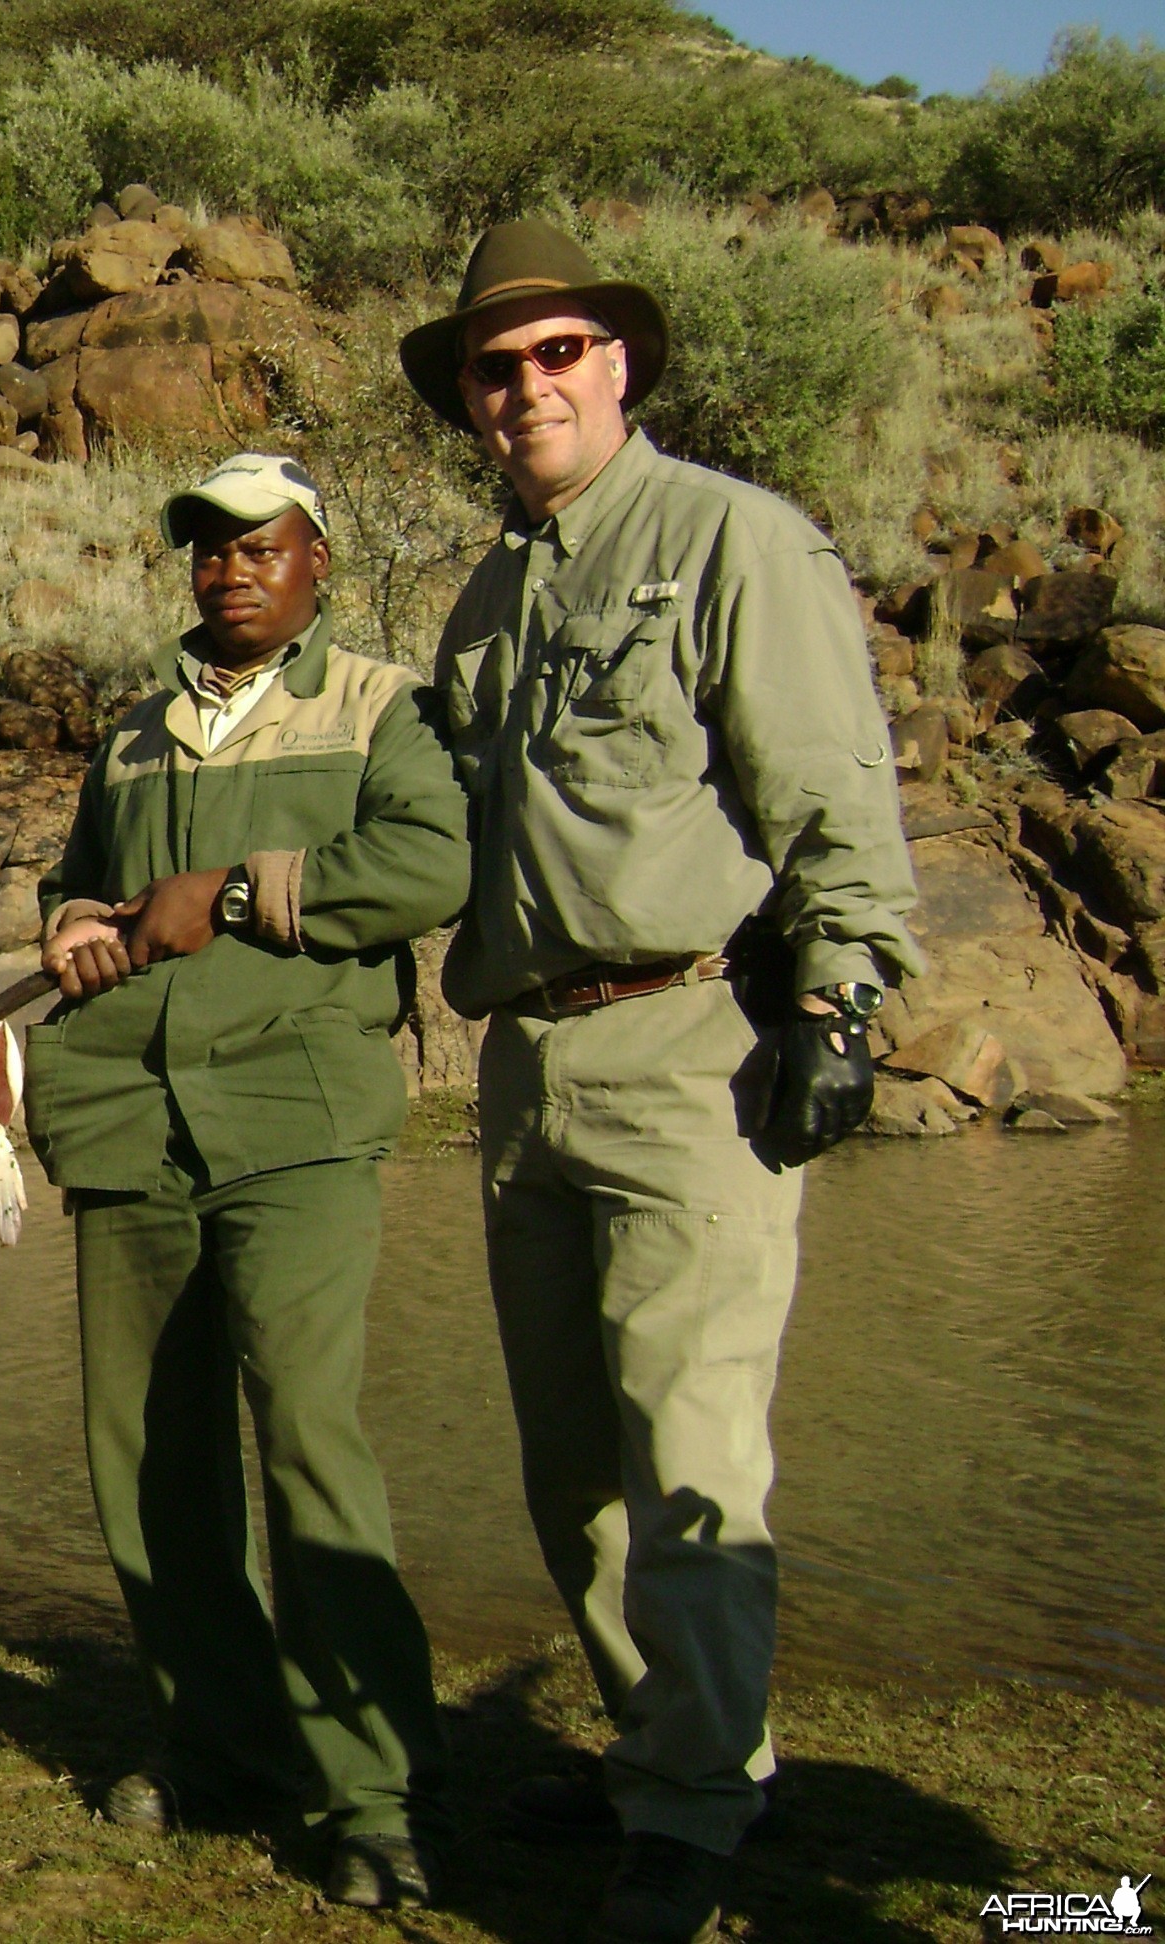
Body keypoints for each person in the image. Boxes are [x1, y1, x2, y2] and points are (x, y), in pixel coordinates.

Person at [398, 220, 923, 1943]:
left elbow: (831, 787)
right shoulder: (487, 593)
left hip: (697, 1045)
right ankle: (663, 1753)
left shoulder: (731, 542)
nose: (527, 385)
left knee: (692, 1441)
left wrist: (841, 1003)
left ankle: (696, 1814)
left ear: (618, 364)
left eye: (557, 353)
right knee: (571, 1468)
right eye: (497, 365)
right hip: (527, 1065)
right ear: (469, 401)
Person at [27, 453, 471, 1908]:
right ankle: (217, 1749)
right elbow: (75, 885)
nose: (229, 568)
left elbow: (424, 866)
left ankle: (371, 1792)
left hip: (295, 1120)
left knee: (307, 1445)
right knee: (148, 1457)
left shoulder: (379, 708)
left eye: (258, 545)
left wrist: (226, 894)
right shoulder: (137, 733)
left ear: (317, 562)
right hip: (125, 1128)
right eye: (207, 548)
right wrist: (74, 925)